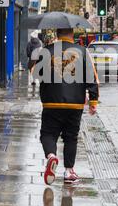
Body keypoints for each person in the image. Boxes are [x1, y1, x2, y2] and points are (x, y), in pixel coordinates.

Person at [30, 28, 99, 185]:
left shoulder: (46, 50)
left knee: (48, 134)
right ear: (72, 34)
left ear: (57, 34)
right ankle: (69, 172)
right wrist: (93, 102)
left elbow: (36, 75)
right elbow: (92, 77)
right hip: (75, 104)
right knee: (71, 137)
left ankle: (51, 156)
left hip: (51, 102)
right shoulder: (82, 51)